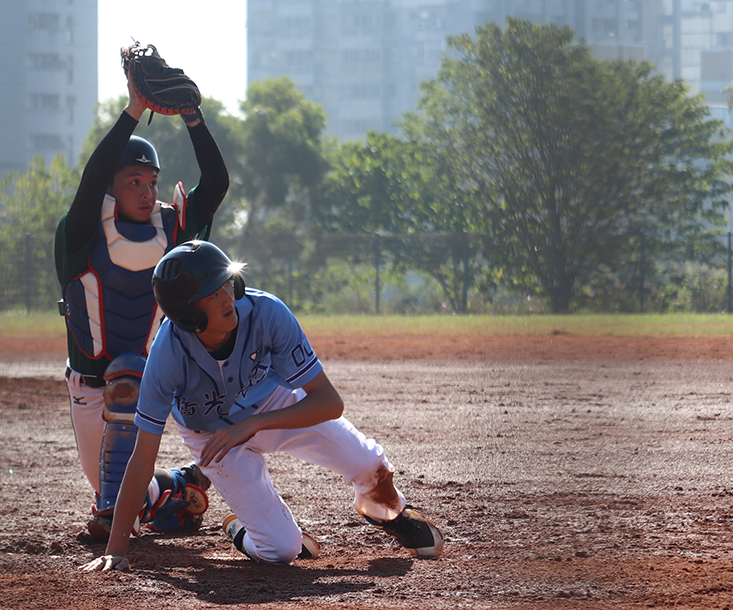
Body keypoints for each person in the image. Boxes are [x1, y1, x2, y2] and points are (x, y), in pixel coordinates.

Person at [81, 240, 444, 571]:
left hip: (274, 404)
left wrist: (253, 424)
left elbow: (329, 402)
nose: (227, 296)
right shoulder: (167, 353)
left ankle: (389, 515)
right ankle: (241, 529)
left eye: (227, 283)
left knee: (372, 465)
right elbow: (142, 457)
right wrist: (117, 549)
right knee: (281, 550)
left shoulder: (266, 312)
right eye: (213, 292)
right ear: (189, 316)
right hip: (210, 435)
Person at [55, 67, 229, 540]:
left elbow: (214, 185)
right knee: (138, 502)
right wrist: (134, 110)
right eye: (134, 181)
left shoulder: (170, 229)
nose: (148, 190)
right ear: (111, 187)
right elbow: (92, 178)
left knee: (130, 375)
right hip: (88, 390)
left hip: (145, 386)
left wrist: (193, 118)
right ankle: (175, 489)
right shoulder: (79, 234)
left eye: (151, 181)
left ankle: (117, 510)